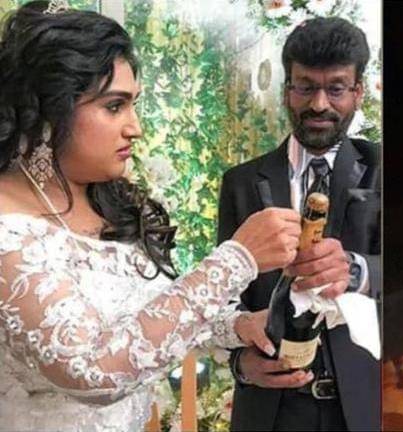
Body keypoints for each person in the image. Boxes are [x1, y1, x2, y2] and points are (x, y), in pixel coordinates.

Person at [0, 2, 301, 430]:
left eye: (133, 104)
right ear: (50, 109)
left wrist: (234, 325)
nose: (135, 127)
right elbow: (93, 372)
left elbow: (140, 316)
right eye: (114, 106)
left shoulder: (106, 197)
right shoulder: (7, 230)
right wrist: (236, 261)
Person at [217, 17, 381, 431]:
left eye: (336, 88)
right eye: (306, 87)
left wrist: (357, 270)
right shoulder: (240, 183)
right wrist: (241, 365)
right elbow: (221, 298)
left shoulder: (384, 169)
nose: (319, 104)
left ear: (358, 91)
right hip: (270, 413)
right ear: (287, 90)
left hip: (365, 408)